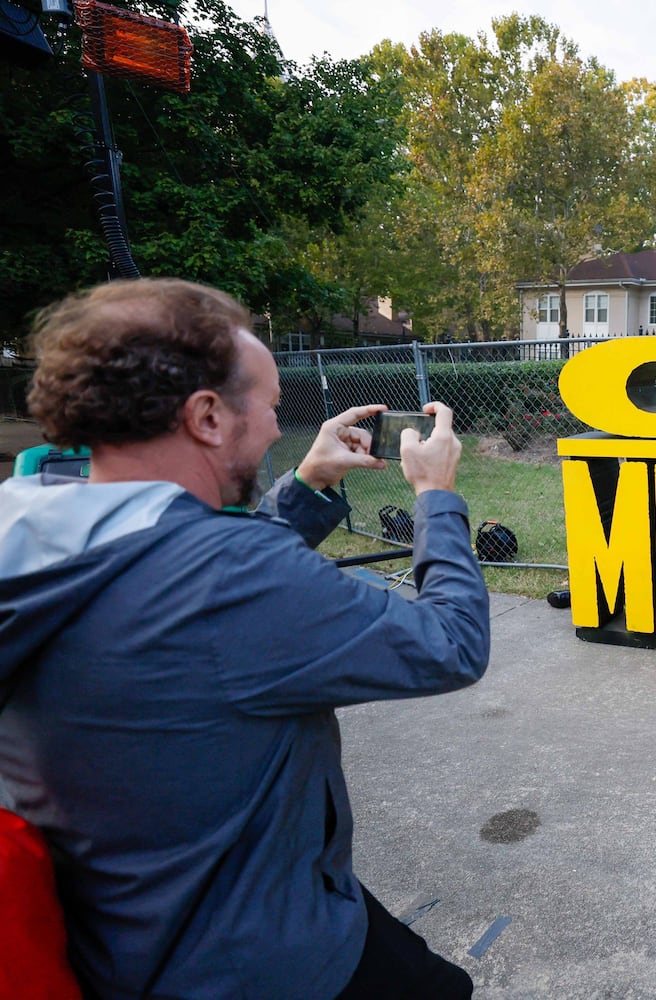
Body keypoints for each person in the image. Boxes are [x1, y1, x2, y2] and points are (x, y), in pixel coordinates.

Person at [0, 279, 490, 999]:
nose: (272, 426)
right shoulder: (226, 577)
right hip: (260, 954)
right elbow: (450, 642)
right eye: (265, 405)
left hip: (133, 932)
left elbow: (178, 571)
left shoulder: (45, 522)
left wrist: (308, 482)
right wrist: (436, 499)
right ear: (205, 416)